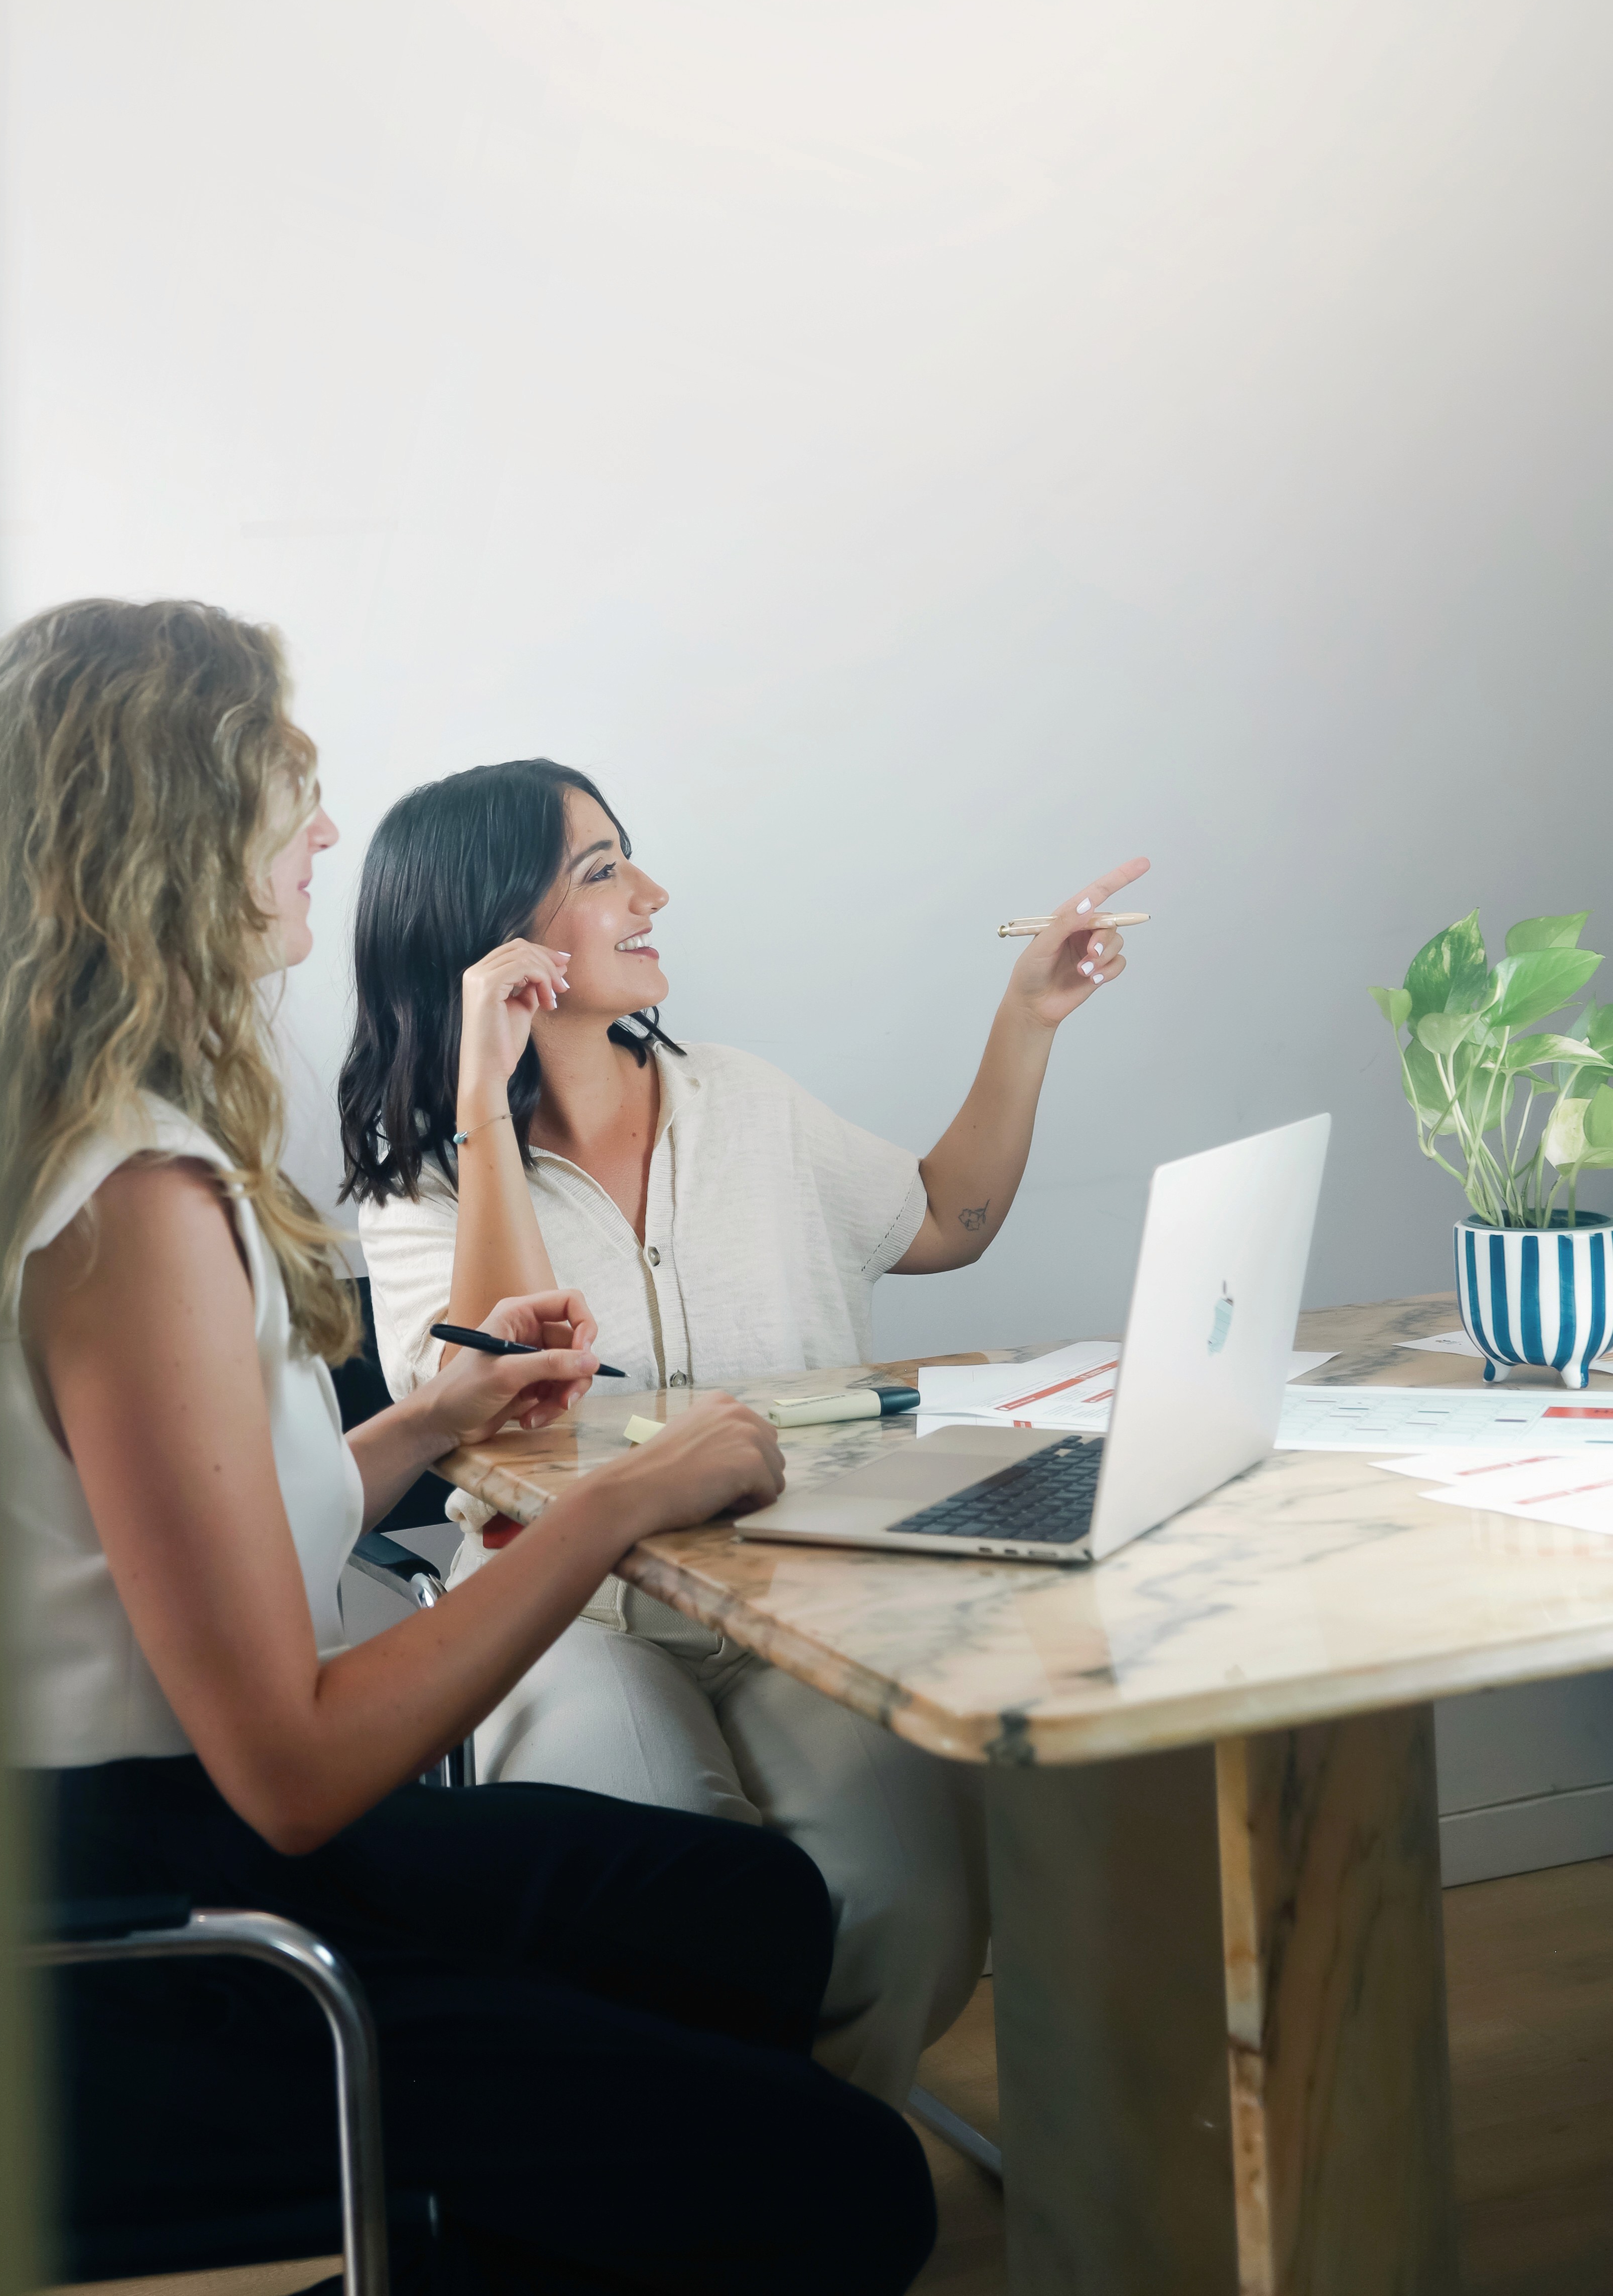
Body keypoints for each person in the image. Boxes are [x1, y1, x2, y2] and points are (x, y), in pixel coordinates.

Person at [0, 601, 934, 2296]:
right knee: (848, 2196)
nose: (323, 838)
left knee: (754, 1922)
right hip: (155, 1922)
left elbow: (195, 1545)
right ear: (172, 832)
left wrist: (432, 1423)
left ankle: (522, 2268)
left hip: (149, 1830)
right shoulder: (138, 1210)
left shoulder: (98, 1146)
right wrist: (615, 1500)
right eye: (290, 793)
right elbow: (295, 1763)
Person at [339, 757, 1146, 2110]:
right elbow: (493, 1394)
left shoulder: (749, 1105)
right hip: (563, 1612)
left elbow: (946, 1220)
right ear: (496, 934)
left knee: (908, 1905)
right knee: (684, 1896)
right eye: (602, 873)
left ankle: (781, 2177)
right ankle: (727, 2200)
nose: (653, 894)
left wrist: (1031, 1017)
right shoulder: (421, 1184)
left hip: (797, 1591)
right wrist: (484, 1102)